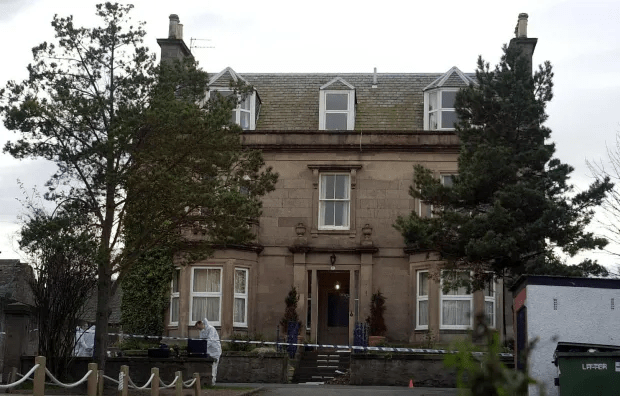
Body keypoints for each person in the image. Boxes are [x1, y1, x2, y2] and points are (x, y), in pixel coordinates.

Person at [196, 318, 222, 385]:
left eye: (198, 327)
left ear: (200, 324)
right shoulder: (202, 331)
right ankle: (206, 382)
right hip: (208, 351)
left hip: (215, 350)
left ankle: (212, 383)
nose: (198, 329)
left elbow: (210, 340)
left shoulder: (211, 329)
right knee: (207, 366)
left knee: (214, 366)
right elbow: (201, 341)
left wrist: (203, 348)